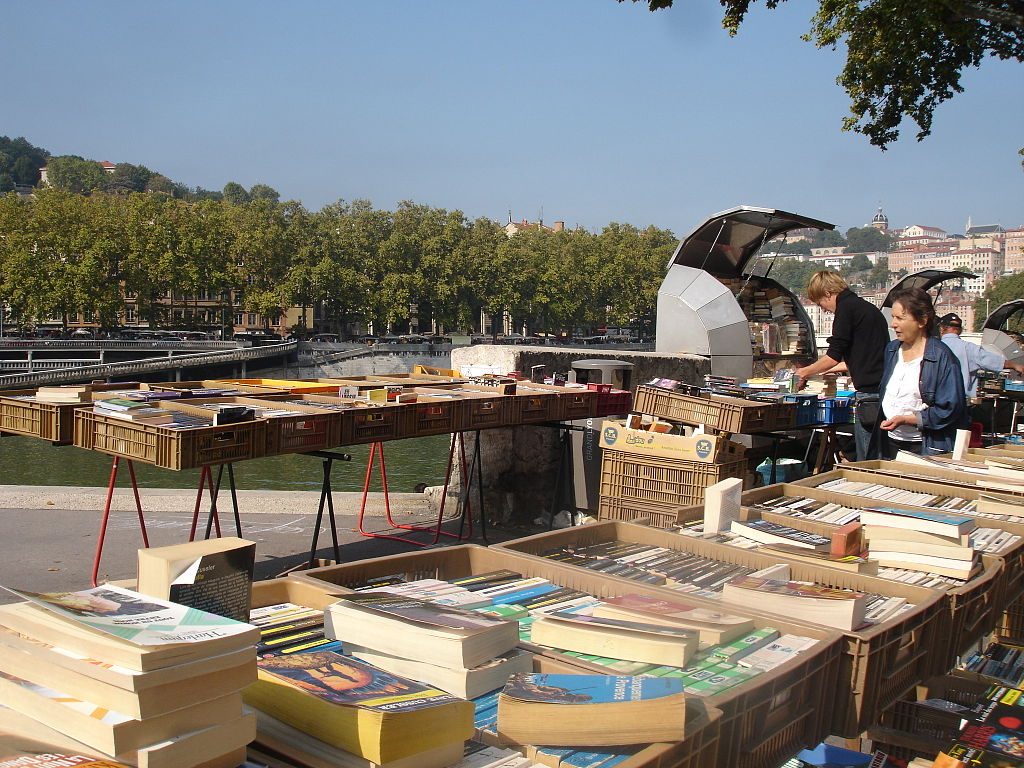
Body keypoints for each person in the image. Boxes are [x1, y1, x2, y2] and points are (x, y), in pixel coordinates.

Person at [794, 270, 889, 460]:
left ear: (828, 293)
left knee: (867, 460)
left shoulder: (845, 310)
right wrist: (821, 371)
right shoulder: (867, 309)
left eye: (820, 302)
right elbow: (856, 359)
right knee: (879, 456)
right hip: (883, 390)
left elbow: (833, 356)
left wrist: (804, 372)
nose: (823, 309)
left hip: (869, 394)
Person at [877, 288, 967, 457]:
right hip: (891, 442)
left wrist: (909, 419)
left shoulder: (942, 357)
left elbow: (950, 408)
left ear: (922, 321)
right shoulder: (891, 350)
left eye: (900, 318)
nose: (893, 324)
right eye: (893, 317)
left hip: (927, 445)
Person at [938, 312, 1024, 397]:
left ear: (941, 329)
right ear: (960, 330)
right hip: (958, 400)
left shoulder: (933, 347)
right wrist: (1015, 365)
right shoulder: (968, 348)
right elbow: (993, 361)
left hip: (935, 401)